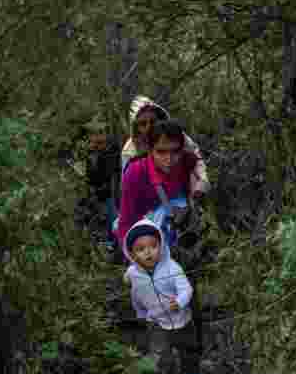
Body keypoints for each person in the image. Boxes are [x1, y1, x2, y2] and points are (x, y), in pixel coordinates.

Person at [123, 218, 202, 374]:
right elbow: (131, 283)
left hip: (181, 317)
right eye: (141, 249)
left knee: (188, 348)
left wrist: (180, 302)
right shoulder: (133, 272)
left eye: (153, 246)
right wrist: (141, 313)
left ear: (161, 245)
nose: (148, 252)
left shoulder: (172, 267)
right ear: (132, 254)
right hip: (156, 320)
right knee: (161, 352)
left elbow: (186, 289)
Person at [116, 118, 202, 256]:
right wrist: (132, 256)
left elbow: (198, 165)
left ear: (182, 149)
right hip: (146, 225)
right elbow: (127, 219)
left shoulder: (186, 161)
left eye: (175, 151)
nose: (169, 158)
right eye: (161, 151)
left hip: (176, 218)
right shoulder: (135, 172)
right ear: (150, 150)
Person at [122, 95, 210, 199]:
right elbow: (128, 185)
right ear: (136, 127)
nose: (149, 127)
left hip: (183, 190)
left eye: (153, 121)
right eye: (143, 123)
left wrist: (202, 180)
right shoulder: (130, 150)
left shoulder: (175, 135)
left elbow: (195, 157)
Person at [82, 118, 118, 246]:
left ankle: (114, 241)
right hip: (97, 192)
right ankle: (109, 239)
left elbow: (109, 171)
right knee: (103, 215)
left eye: (99, 132)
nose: (96, 136)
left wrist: (98, 154)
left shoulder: (111, 149)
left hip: (109, 191)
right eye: (93, 133)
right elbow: (90, 174)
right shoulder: (91, 152)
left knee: (112, 215)